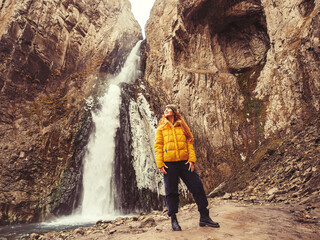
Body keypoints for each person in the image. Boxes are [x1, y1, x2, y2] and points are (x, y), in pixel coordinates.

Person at [154, 104, 220, 231]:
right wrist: (160, 164)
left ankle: (204, 217)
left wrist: (191, 160)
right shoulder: (161, 128)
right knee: (171, 192)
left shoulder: (182, 125)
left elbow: (190, 141)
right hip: (169, 164)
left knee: (197, 186)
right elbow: (158, 147)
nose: (166, 110)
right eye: (165, 109)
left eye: (169, 109)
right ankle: (173, 220)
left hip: (184, 162)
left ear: (174, 112)